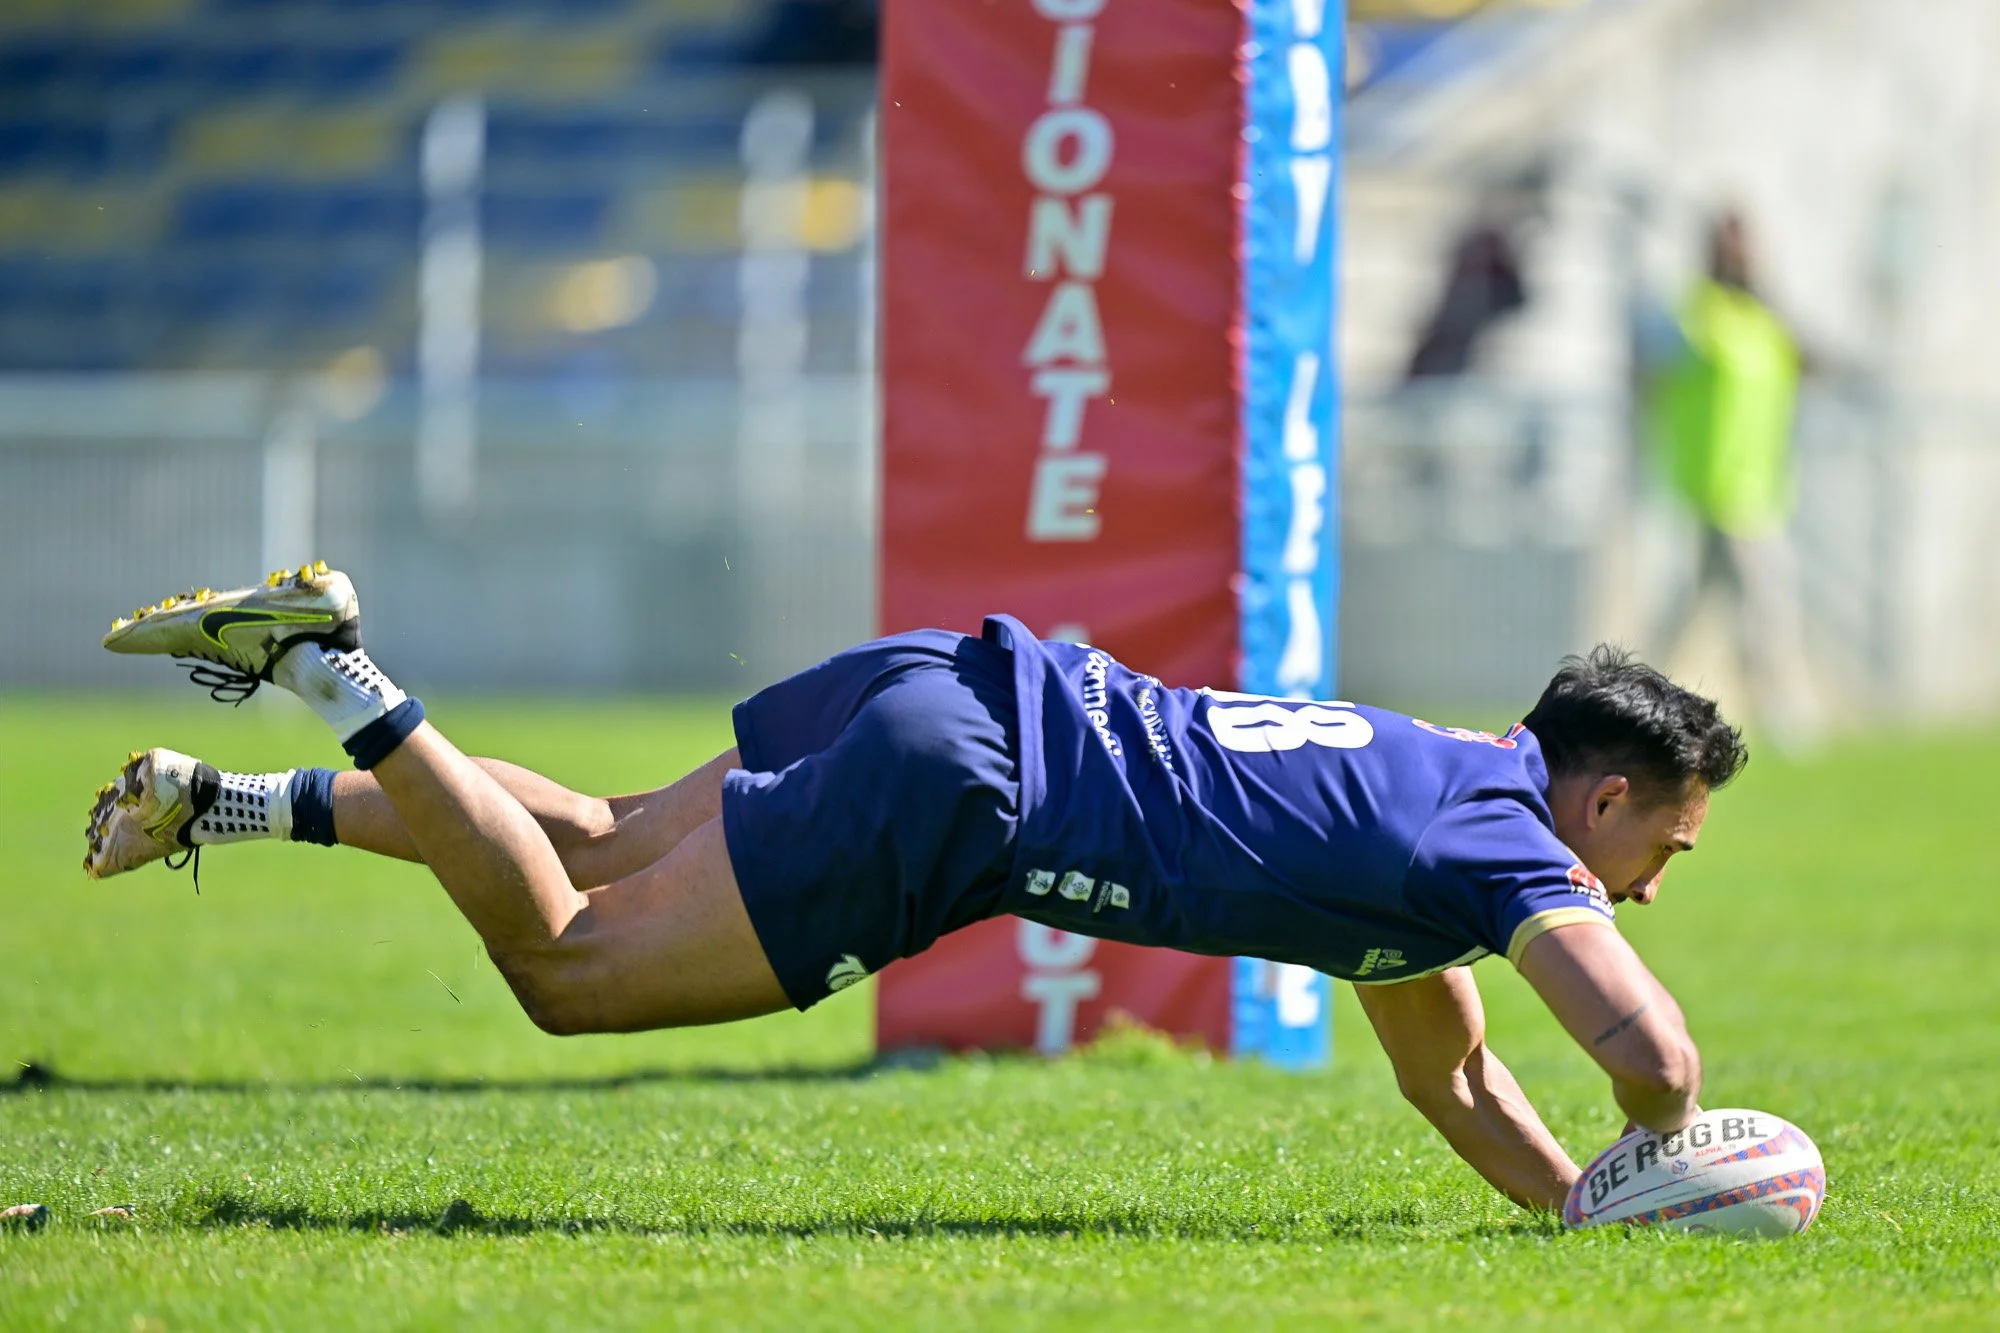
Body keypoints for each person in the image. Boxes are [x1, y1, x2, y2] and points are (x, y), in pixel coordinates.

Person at [84, 563, 1745, 1214]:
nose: (1644, 893)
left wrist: (1584, 1213)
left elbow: (1453, 1072)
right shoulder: (1507, 843)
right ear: (1601, 795)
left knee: (587, 839)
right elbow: (1651, 1058)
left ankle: (222, 797)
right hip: (971, 793)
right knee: (570, 967)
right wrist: (1684, 1144)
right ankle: (332, 668)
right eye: (1656, 850)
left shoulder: (1443, 809)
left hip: (959, 681)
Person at [1643, 209, 1817, 744]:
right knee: (1764, 606)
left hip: (1756, 485)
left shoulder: (1763, 318)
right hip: (1716, 488)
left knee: (1694, 604)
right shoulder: (1700, 314)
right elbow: (1656, 369)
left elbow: (1805, 362)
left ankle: (1636, 699)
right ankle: (1788, 719)